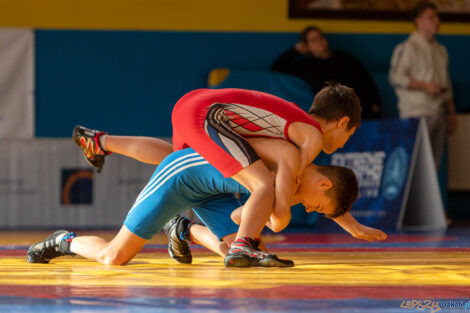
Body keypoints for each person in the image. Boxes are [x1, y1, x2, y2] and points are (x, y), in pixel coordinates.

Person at [27, 127, 386, 268]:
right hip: (183, 175)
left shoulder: (295, 175)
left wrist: (348, 221)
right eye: (315, 206)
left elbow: (239, 218)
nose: (307, 208)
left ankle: (182, 230)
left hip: (214, 190)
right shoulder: (289, 158)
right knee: (113, 257)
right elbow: (272, 214)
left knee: (238, 253)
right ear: (322, 185)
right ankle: (65, 241)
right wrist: (275, 212)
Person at [168, 85, 361, 266]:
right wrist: (279, 214)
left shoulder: (293, 126)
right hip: (205, 118)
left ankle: (183, 229)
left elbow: (311, 188)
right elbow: (290, 194)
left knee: (241, 256)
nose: (344, 144)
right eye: (350, 135)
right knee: (265, 200)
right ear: (343, 122)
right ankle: (213, 237)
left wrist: (351, 225)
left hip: (199, 126)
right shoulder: (311, 138)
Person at [389, 1, 456, 169]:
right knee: (413, 165)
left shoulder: (441, 50)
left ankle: (427, 196)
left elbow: (446, 83)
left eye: (437, 17)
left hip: (438, 113)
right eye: (431, 17)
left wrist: (451, 113)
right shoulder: (407, 47)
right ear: (418, 20)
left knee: (433, 167)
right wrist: (425, 86)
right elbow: (396, 77)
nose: (437, 21)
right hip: (415, 113)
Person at [271, 25, 381, 120]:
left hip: (360, 107)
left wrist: (375, 102)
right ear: (307, 46)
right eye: (313, 40)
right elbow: (277, 66)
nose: (319, 41)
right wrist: (295, 50)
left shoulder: (344, 58)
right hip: (333, 111)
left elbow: (365, 78)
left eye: (321, 37)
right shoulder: (306, 65)